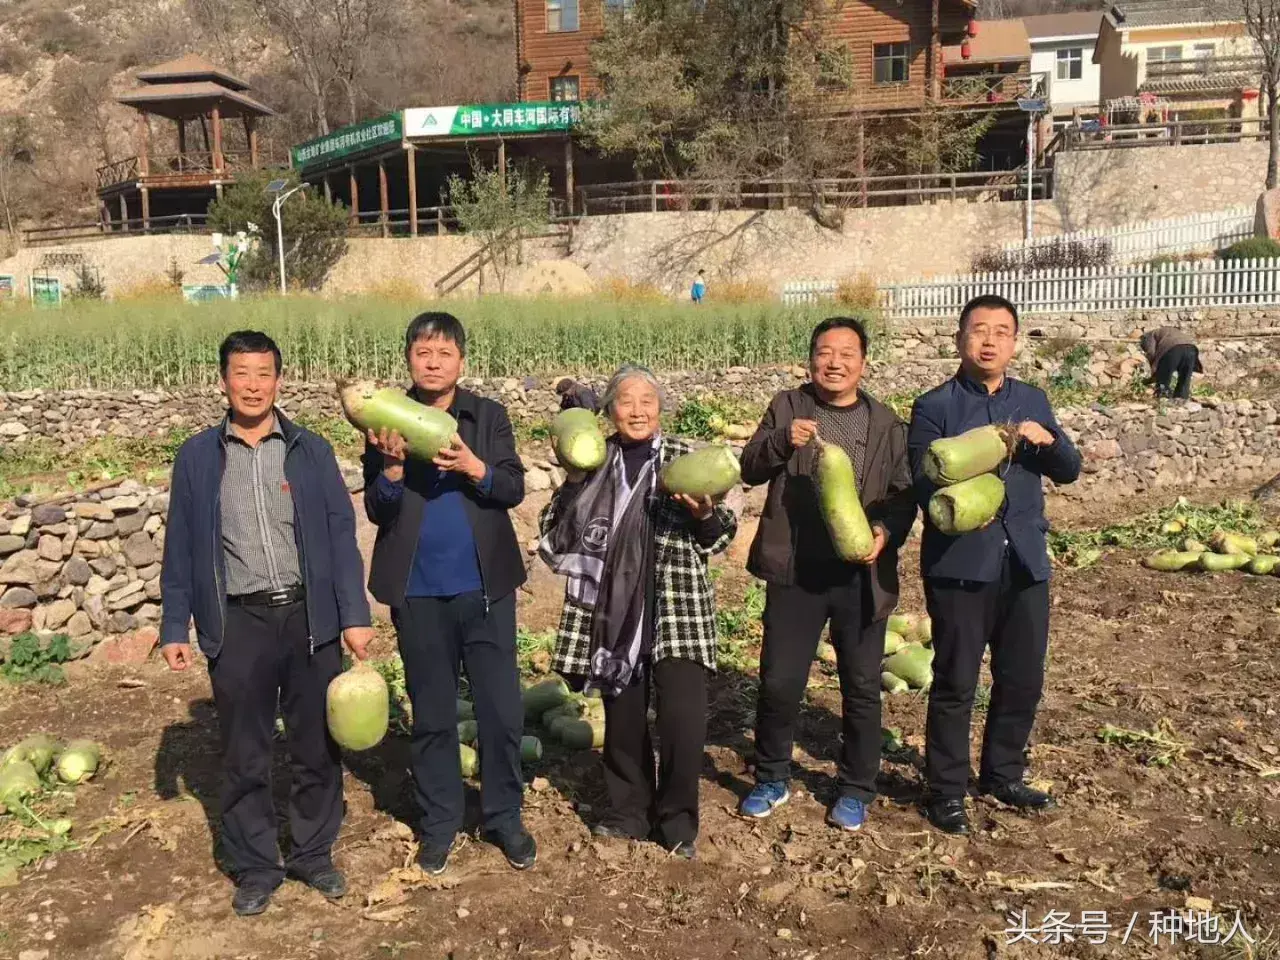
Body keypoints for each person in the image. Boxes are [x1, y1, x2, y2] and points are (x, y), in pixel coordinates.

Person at [160, 330, 374, 917]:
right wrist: (174, 625)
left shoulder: (311, 450)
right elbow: (180, 545)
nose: (253, 386)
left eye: (263, 374)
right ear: (223, 380)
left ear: (280, 380)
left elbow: (339, 537)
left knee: (315, 745)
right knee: (245, 751)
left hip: (309, 617)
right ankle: (256, 864)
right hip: (238, 620)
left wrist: (353, 616)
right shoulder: (199, 456)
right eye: (241, 374)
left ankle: (312, 853)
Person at [538, 365, 737, 858]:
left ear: (661, 408)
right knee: (623, 719)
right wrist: (571, 483)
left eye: (647, 400)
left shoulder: (685, 459)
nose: (637, 410)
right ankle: (628, 813)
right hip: (610, 611)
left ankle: (677, 825)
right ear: (608, 410)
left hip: (676, 609)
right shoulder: (590, 460)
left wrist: (705, 516)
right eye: (626, 401)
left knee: (682, 722)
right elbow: (552, 529)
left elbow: (723, 536)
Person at [362, 311, 534, 876]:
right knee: (433, 715)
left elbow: (511, 487)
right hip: (416, 591)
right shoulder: (386, 419)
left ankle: (504, 816)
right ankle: (439, 824)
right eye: (421, 353)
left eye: (443, 353)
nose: (432, 362)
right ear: (408, 358)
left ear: (461, 359)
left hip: (485, 588)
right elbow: (378, 511)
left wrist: (472, 465)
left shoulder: (488, 416)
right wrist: (388, 470)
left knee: (502, 712)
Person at [908, 294, 1081, 836]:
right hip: (961, 564)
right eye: (978, 330)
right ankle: (946, 789)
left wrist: (1046, 439)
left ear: (1013, 342)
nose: (989, 340)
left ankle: (1003, 774)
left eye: (1001, 332)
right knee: (957, 680)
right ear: (960, 338)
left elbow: (1069, 469)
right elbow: (920, 482)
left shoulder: (1033, 399)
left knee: (1022, 678)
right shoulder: (933, 406)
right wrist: (960, 511)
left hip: (1026, 560)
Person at [736, 317, 916, 832]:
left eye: (846, 353)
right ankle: (771, 776)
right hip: (796, 571)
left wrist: (883, 534)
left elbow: (904, 497)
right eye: (824, 352)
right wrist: (780, 442)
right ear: (810, 358)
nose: (834, 362)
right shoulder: (787, 408)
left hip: (861, 574)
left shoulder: (886, 424)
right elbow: (749, 467)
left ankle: (857, 786)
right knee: (780, 680)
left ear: (863, 362)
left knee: (861, 685)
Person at [1139, 326, 1201, 400]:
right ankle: (1181, 399)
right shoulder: (1165, 331)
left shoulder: (1147, 337)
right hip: (1191, 349)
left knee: (1163, 377)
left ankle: (1163, 398)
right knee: (1185, 378)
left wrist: (1154, 370)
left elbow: (1151, 352)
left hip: (1173, 349)